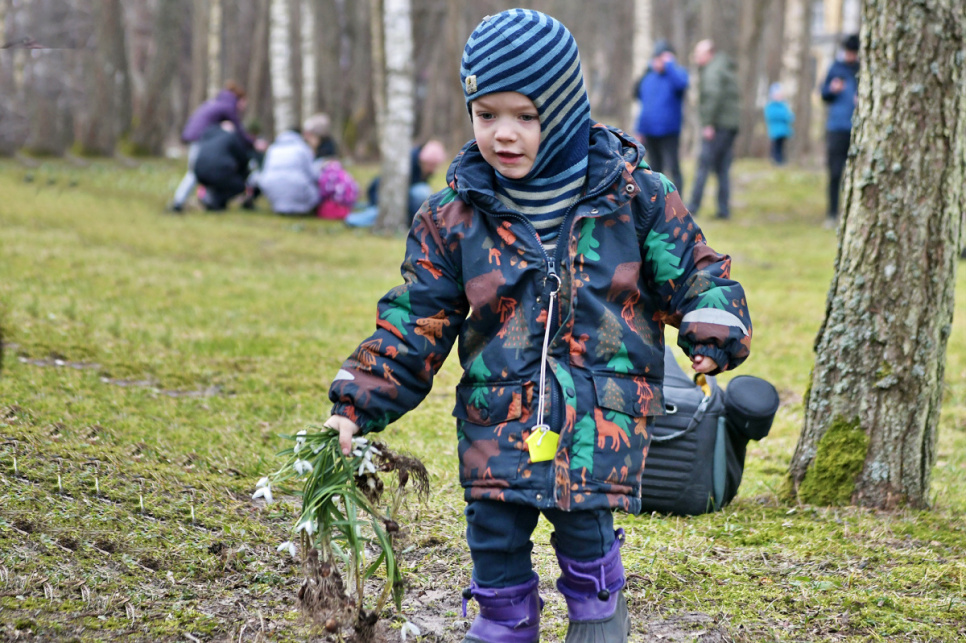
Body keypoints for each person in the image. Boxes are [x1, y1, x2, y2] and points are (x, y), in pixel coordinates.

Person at [322, 9, 752, 643]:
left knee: (586, 532)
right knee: (493, 539)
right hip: (498, 417)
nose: (503, 133)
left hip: (600, 418)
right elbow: (417, 319)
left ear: (565, 110)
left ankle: (599, 611)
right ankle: (503, 622)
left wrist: (711, 328)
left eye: (525, 115)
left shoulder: (634, 196)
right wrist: (354, 404)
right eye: (486, 114)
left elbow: (694, 270)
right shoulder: (454, 217)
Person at [168, 81, 261, 213]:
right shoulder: (228, 106)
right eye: (244, 102)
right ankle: (178, 203)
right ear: (239, 99)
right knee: (195, 172)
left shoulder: (218, 102)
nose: (244, 107)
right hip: (200, 138)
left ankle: (207, 201)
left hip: (196, 136)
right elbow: (239, 132)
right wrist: (253, 143)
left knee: (201, 171)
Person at [686, 39, 740, 220]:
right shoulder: (724, 66)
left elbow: (712, 96)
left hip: (717, 126)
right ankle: (723, 210)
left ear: (709, 53)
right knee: (723, 168)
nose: (696, 58)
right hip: (729, 125)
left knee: (704, 165)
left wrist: (708, 123)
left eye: (698, 54)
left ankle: (693, 206)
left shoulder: (713, 71)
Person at [344, 140, 446, 227]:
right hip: (382, 195)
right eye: (432, 165)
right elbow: (382, 184)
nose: (433, 169)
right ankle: (351, 220)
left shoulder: (422, 168)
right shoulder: (409, 164)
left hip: (398, 199)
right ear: (424, 160)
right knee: (376, 213)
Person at [633, 39, 689, 193]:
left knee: (673, 167)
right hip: (650, 131)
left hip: (669, 131)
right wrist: (640, 130)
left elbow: (682, 84)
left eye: (663, 58)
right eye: (657, 58)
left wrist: (670, 65)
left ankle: (678, 201)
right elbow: (644, 106)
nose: (659, 62)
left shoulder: (676, 74)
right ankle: (657, 201)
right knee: (654, 170)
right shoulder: (648, 77)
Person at [821, 34, 860, 226]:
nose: (850, 55)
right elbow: (823, 94)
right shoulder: (835, 68)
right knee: (835, 173)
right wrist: (832, 89)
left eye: (853, 52)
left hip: (857, 128)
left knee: (856, 175)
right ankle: (832, 213)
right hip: (836, 127)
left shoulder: (861, 70)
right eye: (848, 52)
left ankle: (853, 214)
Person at [256, 125, 320, 216]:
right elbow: (313, 174)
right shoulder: (302, 148)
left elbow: (264, 171)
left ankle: (281, 206)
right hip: (298, 188)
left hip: (272, 189)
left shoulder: (272, 148)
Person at [192, 121, 251, 211]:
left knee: (219, 182)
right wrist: (242, 173)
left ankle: (210, 200)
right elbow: (243, 158)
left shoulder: (208, 135)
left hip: (198, 172)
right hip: (219, 172)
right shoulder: (231, 137)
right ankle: (215, 202)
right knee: (239, 186)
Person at [763, 82, 795, 165]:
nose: (779, 96)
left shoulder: (784, 105)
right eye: (777, 94)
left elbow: (790, 116)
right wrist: (784, 116)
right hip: (775, 130)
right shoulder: (771, 105)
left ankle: (782, 161)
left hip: (783, 130)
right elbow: (771, 116)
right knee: (776, 146)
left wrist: (788, 117)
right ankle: (776, 160)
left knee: (782, 146)